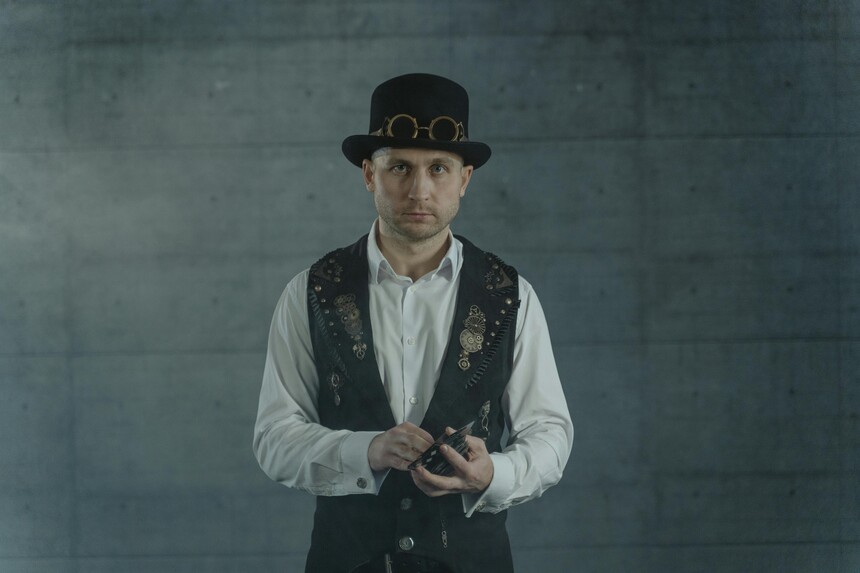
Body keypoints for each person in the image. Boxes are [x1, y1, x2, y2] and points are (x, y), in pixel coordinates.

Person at [253, 73, 573, 573]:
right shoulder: (312, 292)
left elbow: (549, 433)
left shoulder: (510, 296)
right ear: (369, 174)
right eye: (399, 167)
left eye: (439, 168)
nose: (419, 190)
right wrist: (367, 450)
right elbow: (274, 438)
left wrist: (494, 474)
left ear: (465, 179)